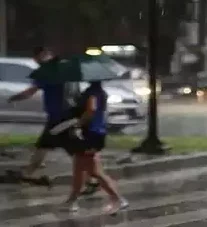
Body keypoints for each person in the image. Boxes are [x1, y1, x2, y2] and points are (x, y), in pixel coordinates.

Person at [60, 81, 128, 213]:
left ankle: (118, 199)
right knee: (79, 168)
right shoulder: (99, 91)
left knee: (93, 171)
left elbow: (91, 109)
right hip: (94, 134)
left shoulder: (93, 92)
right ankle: (72, 200)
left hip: (91, 134)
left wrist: (78, 124)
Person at [6, 47, 68, 184]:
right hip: (65, 114)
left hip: (58, 115)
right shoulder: (63, 71)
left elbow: (30, 92)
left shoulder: (47, 73)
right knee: (47, 145)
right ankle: (30, 170)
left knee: (45, 144)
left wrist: (13, 98)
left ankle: (28, 172)